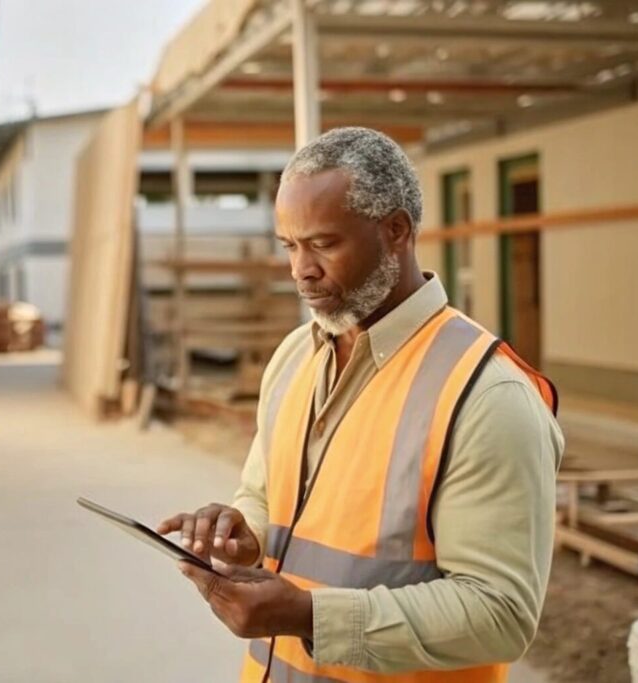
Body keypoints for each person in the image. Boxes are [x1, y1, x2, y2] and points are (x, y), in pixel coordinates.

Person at [158, 127, 564, 682]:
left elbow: (500, 615)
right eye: (290, 246)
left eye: (323, 244)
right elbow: (261, 493)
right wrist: (245, 535)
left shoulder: (488, 395)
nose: (301, 270)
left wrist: (309, 615)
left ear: (395, 230)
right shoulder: (294, 357)